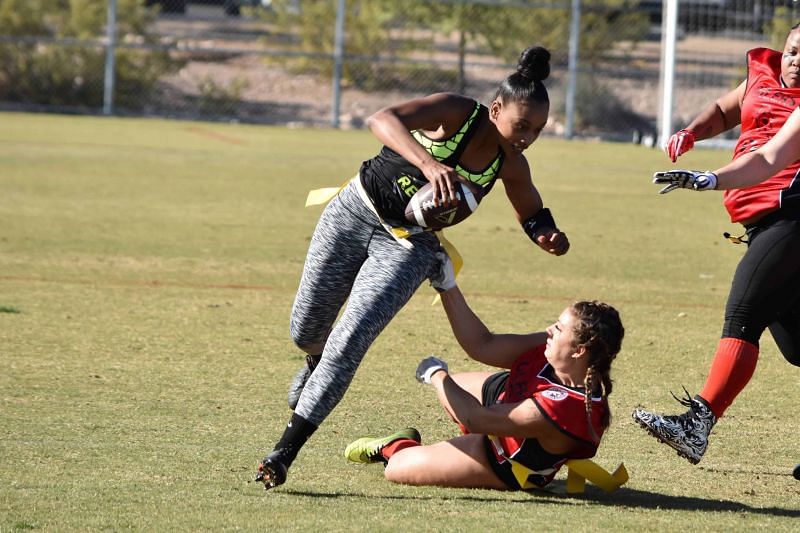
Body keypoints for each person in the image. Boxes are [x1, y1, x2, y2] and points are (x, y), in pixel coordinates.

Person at [255, 45, 571, 490]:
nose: (527, 136)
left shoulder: (511, 165)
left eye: (537, 129)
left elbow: (532, 210)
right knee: (307, 331)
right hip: (354, 210)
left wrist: (547, 234)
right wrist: (429, 163)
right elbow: (382, 118)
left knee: (351, 340)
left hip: (409, 247)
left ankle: (283, 453)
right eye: (522, 124)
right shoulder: (457, 113)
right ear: (496, 109)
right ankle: (314, 357)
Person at [632, 24, 800, 465]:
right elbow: (727, 110)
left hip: (793, 221)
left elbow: (766, 160)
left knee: (743, 316)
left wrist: (710, 178)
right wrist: (691, 132)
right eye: (792, 51)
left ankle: (696, 426)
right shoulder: (762, 75)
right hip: (766, 226)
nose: (796, 60)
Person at [343, 256, 623, 490]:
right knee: (459, 393)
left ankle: (397, 445)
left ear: (579, 351)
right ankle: (481, 430)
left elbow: (474, 418)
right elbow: (483, 345)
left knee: (398, 469)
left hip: (501, 462)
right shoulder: (562, 355)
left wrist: (437, 375)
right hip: (507, 401)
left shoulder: (562, 408)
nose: (551, 330)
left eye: (559, 328)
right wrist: (447, 285)